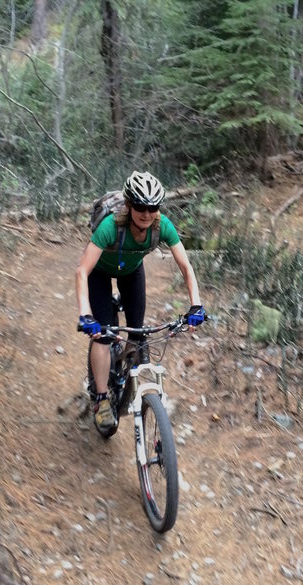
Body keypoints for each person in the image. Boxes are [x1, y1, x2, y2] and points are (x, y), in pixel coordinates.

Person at [75, 171, 206, 430]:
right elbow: (82, 271)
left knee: (138, 332)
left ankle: (128, 375)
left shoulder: (162, 226)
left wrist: (196, 305)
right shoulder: (110, 226)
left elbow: (186, 267)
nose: (147, 214)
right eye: (141, 207)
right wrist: (85, 314)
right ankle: (101, 399)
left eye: (153, 207)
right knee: (102, 334)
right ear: (129, 205)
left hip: (132, 272)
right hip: (99, 274)